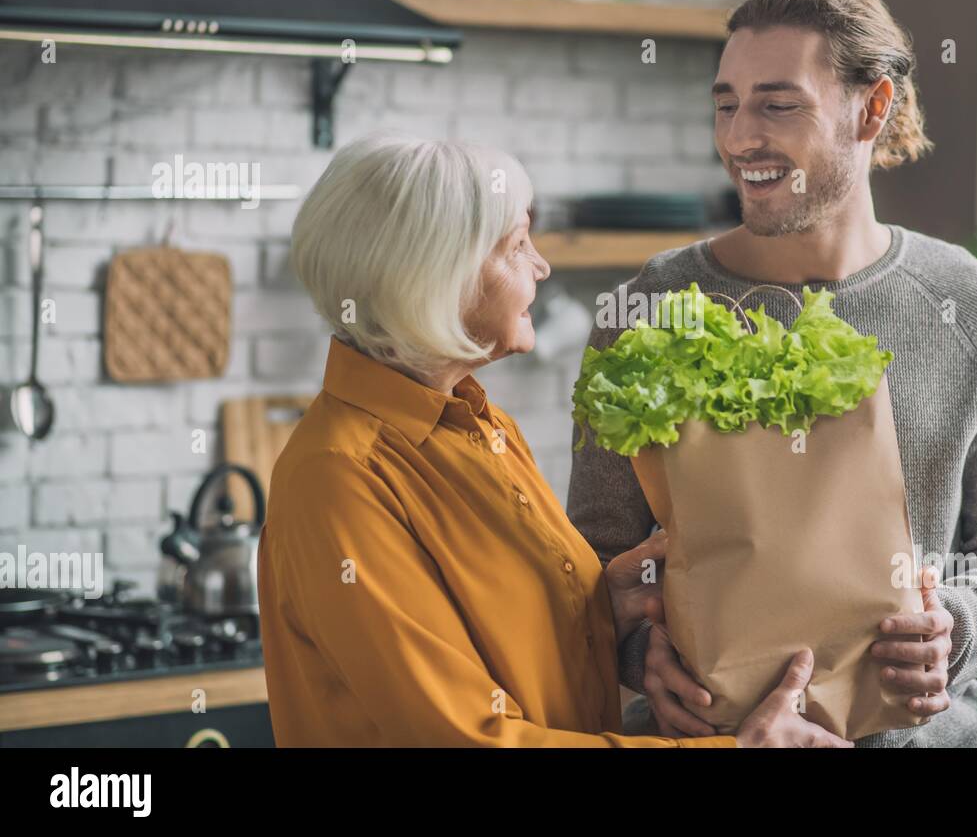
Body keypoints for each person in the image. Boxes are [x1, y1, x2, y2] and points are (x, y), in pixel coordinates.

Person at [567, 0, 977, 747]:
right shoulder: (648, 304)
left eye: (777, 104)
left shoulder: (976, 308)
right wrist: (634, 651)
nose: (738, 138)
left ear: (872, 109)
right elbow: (595, 556)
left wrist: (956, 627)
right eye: (725, 104)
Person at [256, 133, 849, 748]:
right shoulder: (337, 478)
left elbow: (502, 652)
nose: (541, 265)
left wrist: (600, 613)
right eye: (517, 246)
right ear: (432, 277)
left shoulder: (485, 426)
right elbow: (466, 740)